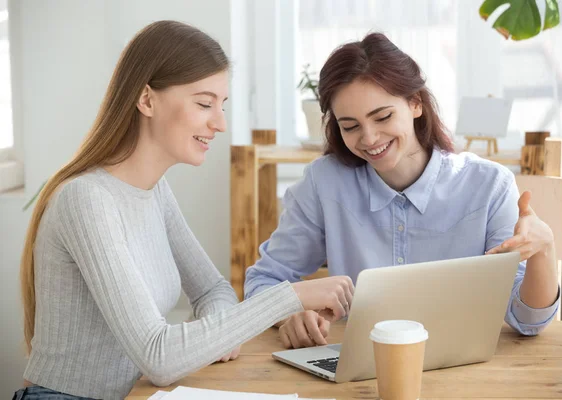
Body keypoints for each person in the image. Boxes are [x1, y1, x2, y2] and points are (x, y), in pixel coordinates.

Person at [14, 21, 353, 400]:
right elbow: (159, 358)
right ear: (146, 100)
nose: (219, 123)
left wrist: (210, 337)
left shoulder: (155, 191)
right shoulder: (87, 200)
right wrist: (290, 297)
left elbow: (213, 289)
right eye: (204, 103)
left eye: (222, 106)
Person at [244, 32, 560, 350]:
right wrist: (289, 316)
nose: (369, 138)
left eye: (382, 117)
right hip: (359, 374)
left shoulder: (488, 186)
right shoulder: (324, 183)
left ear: (415, 104)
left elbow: (528, 320)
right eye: (350, 126)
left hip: (462, 369)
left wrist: (542, 251)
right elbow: (263, 281)